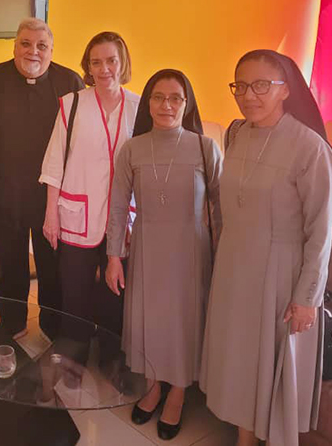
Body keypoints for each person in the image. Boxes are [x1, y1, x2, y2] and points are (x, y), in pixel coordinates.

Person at [200, 50, 332, 446]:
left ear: (286, 90)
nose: (249, 95)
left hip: (280, 271)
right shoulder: (237, 134)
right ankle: (243, 436)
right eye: (241, 86)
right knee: (241, 358)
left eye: (262, 85)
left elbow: (321, 233)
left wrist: (307, 298)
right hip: (234, 264)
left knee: (268, 361)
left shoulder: (310, 148)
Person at [105, 69, 222, 440]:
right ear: (148, 102)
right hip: (147, 246)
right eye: (158, 97)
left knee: (185, 320)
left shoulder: (205, 147)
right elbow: (118, 206)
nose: (166, 105)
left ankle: (178, 393)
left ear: (187, 104)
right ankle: (153, 386)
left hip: (192, 249)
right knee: (151, 319)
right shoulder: (133, 148)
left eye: (175, 98)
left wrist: (227, 258)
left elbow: (222, 209)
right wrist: (112, 256)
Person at [0, 18, 83, 338]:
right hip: (3, 193)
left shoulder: (70, 82)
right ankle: (12, 323)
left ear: (51, 50)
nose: (33, 52)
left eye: (41, 46)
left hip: (51, 198)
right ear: (14, 46)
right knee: (10, 264)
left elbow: (83, 142)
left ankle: (52, 326)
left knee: (51, 267)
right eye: (25, 44)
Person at [39, 31, 139, 353]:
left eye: (111, 60)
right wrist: (50, 214)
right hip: (75, 213)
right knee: (75, 291)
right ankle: (74, 355)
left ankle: (112, 357)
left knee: (115, 290)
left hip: (121, 216)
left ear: (122, 62)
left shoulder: (139, 107)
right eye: (96, 62)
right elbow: (55, 162)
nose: (104, 68)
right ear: (88, 67)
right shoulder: (73, 104)